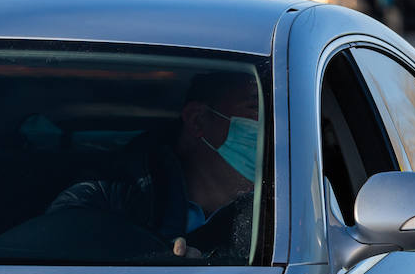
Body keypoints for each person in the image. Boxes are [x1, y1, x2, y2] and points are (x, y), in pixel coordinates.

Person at [49, 71, 260, 259]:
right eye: (256, 108)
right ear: (198, 120)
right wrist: (148, 255)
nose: (277, 126)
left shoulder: (284, 210)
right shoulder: (110, 196)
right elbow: (55, 248)